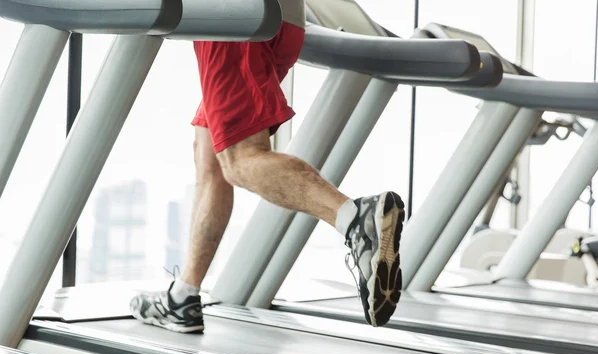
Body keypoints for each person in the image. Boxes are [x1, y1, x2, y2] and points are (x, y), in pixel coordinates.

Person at [129, 0, 404, 332]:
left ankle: (353, 218)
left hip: (233, 18)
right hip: (283, 20)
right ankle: (183, 296)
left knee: (240, 158)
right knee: (212, 156)